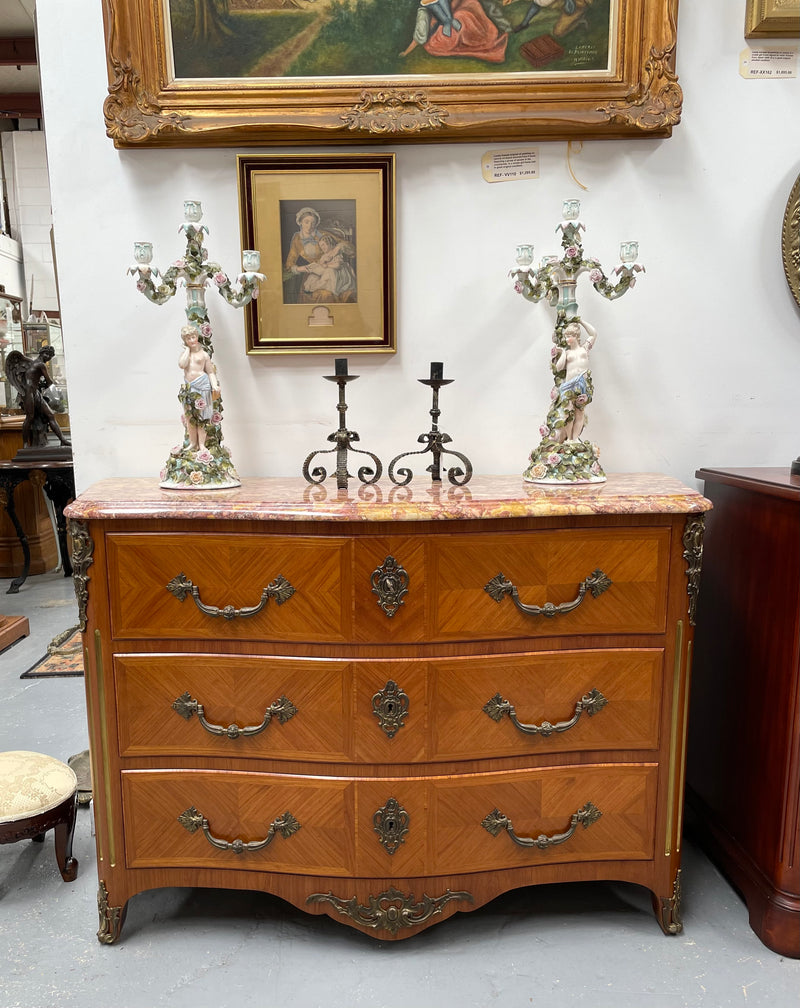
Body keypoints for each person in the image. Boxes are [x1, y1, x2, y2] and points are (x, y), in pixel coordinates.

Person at [400, 0, 510, 62]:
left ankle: (486, 34)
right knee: (462, 18)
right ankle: (479, 39)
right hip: (441, 35)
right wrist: (406, 52)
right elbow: (421, 34)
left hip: (454, 18)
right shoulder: (424, 10)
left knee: (470, 8)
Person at [4, 345, 70, 449]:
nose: (48, 357)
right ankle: (25, 444)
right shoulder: (41, 365)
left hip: (35, 393)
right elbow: (49, 381)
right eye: (46, 354)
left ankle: (63, 440)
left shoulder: (30, 362)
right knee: (30, 418)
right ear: (41, 352)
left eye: (50, 356)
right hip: (29, 394)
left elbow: (32, 378)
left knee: (50, 415)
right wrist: (55, 387)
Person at [549, 318, 596, 442]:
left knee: (579, 412)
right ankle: (569, 437)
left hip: (582, 384)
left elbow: (593, 334)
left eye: (568, 336)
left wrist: (581, 321)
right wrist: (563, 352)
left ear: (575, 336)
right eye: (565, 336)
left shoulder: (584, 349)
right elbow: (558, 368)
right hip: (569, 385)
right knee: (567, 413)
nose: (566, 339)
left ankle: (575, 438)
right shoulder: (567, 352)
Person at [178, 324, 219, 452]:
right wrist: (186, 350)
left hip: (203, 385)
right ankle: (192, 443)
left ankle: (202, 444)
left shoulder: (204, 354)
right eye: (188, 338)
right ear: (185, 341)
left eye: (193, 337)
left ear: (197, 337)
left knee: (202, 416)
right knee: (190, 416)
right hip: (189, 388)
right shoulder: (186, 355)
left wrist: (215, 385)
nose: (192, 340)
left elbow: (210, 372)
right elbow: (181, 365)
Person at [294, 233, 356, 302]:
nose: (322, 247)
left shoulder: (336, 253)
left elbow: (337, 265)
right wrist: (322, 265)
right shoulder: (324, 256)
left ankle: (332, 288)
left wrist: (327, 265)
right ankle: (306, 276)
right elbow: (321, 265)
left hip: (338, 273)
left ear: (329, 243)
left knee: (330, 271)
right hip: (327, 271)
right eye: (321, 246)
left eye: (323, 245)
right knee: (313, 275)